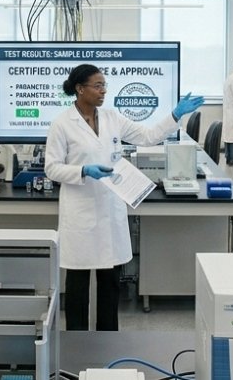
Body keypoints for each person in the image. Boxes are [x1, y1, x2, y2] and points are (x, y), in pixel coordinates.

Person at [45, 64, 204, 331]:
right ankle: (76, 344)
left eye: (104, 85)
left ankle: (108, 341)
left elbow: (148, 136)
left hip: (110, 211)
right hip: (80, 213)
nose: (103, 91)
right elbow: (52, 167)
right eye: (97, 86)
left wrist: (175, 114)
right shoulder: (62, 124)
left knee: (110, 285)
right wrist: (83, 170)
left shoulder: (112, 118)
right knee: (77, 287)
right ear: (79, 88)